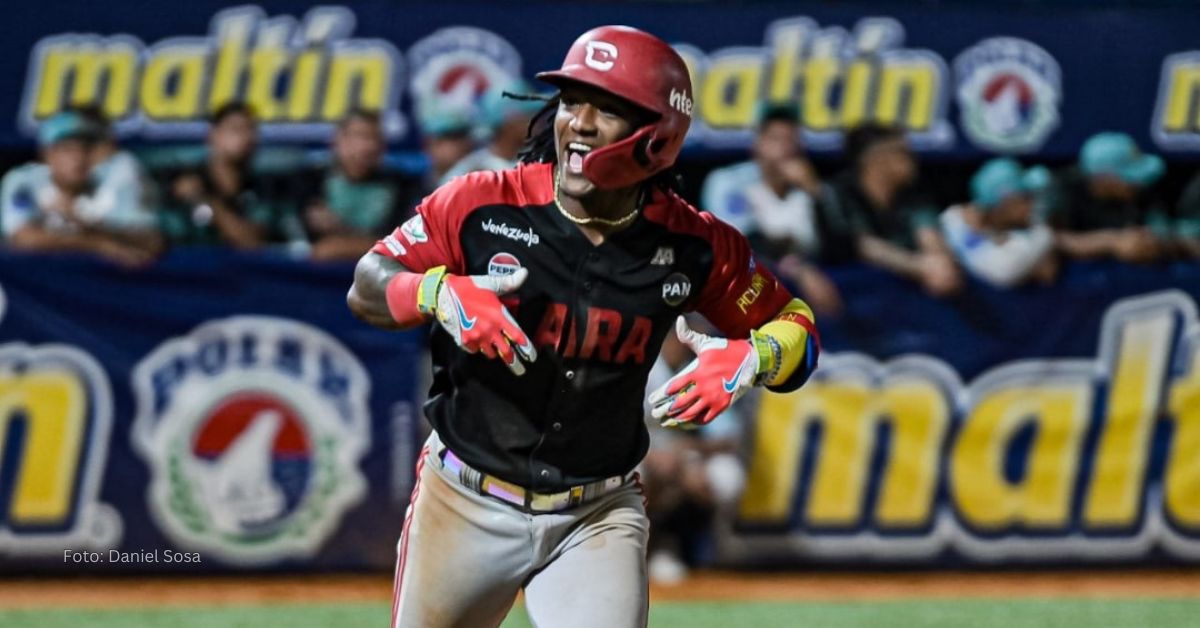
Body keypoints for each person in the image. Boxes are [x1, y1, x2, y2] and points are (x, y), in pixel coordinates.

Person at [347, 25, 819, 628]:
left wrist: (755, 359)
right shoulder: (478, 204)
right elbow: (367, 282)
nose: (579, 123)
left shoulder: (695, 243)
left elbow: (795, 326)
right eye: (572, 100)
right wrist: (434, 291)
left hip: (596, 512)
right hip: (463, 497)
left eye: (608, 108)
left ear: (657, 137)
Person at [701, 102, 841, 315]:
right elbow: (744, 240)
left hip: (811, 284)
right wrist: (799, 269)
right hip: (743, 286)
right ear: (758, 144)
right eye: (777, 139)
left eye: (793, 139)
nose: (787, 148)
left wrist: (815, 193)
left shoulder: (811, 187)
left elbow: (839, 246)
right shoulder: (730, 181)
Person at [1, 110, 158, 267]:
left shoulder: (115, 178)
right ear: (47, 154)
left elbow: (149, 240)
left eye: (85, 148)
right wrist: (97, 244)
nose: (79, 158)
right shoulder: (24, 181)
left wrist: (84, 225)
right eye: (67, 149)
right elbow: (23, 238)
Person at [823, 123, 961, 296]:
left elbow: (929, 235)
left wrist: (941, 263)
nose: (913, 159)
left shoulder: (913, 195)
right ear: (878, 160)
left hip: (909, 297)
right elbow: (863, 246)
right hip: (852, 294)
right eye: (903, 153)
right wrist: (920, 267)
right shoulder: (839, 192)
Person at [157, 102, 304, 249]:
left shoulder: (265, 186)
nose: (247, 137)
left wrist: (205, 200)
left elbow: (252, 242)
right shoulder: (181, 180)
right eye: (236, 130)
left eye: (251, 130)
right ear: (213, 135)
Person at [302, 108, 420, 261]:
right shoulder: (309, 182)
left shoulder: (402, 186)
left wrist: (341, 237)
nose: (369, 146)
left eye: (375, 138)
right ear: (338, 140)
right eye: (361, 136)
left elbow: (403, 243)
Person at [1046, 132, 1168, 264]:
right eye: (1127, 178)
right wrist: (1112, 242)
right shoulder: (1064, 187)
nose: (1137, 183)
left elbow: (1163, 230)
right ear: (1103, 180)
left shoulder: (1142, 192)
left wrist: (1151, 241)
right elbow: (1050, 238)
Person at [941, 158, 1057, 288]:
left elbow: (1047, 273)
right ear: (1004, 205)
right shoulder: (952, 220)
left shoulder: (1036, 235)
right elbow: (1001, 271)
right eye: (1024, 198)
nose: (1031, 205)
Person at [440, 80, 544, 183]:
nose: (537, 120)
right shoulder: (471, 173)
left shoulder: (539, 160)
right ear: (509, 123)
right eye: (529, 114)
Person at [415, 103, 476, 192]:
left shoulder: (476, 181)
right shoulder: (413, 185)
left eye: (464, 137)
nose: (462, 144)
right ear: (431, 144)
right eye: (453, 137)